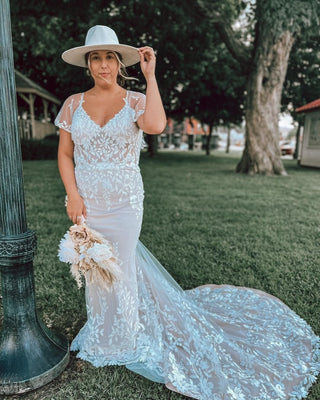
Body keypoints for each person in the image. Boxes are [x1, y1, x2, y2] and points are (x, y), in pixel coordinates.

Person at [55, 25, 319, 400]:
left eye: (109, 57)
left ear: (118, 62)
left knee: (121, 263)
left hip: (125, 203)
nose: (102, 65)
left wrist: (150, 76)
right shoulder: (72, 104)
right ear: (87, 63)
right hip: (88, 202)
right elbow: (65, 154)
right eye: (95, 58)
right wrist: (72, 195)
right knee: (95, 266)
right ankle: (104, 328)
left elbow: (157, 125)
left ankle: (125, 336)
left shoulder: (133, 100)